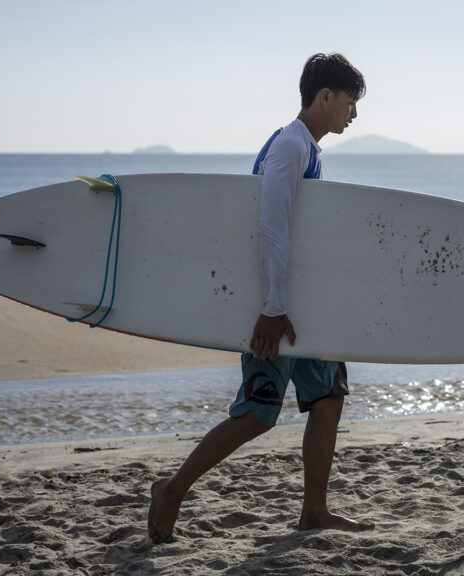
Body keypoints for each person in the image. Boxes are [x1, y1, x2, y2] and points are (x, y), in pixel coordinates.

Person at [148, 53, 367, 543]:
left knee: (329, 398)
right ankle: (172, 489)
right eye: (350, 102)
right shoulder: (290, 146)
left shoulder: (308, 148)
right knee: (257, 412)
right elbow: (271, 228)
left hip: (305, 308)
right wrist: (272, 310)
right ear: (325, 96)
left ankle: (314, 511)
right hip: (276, 308)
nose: (354, 114)